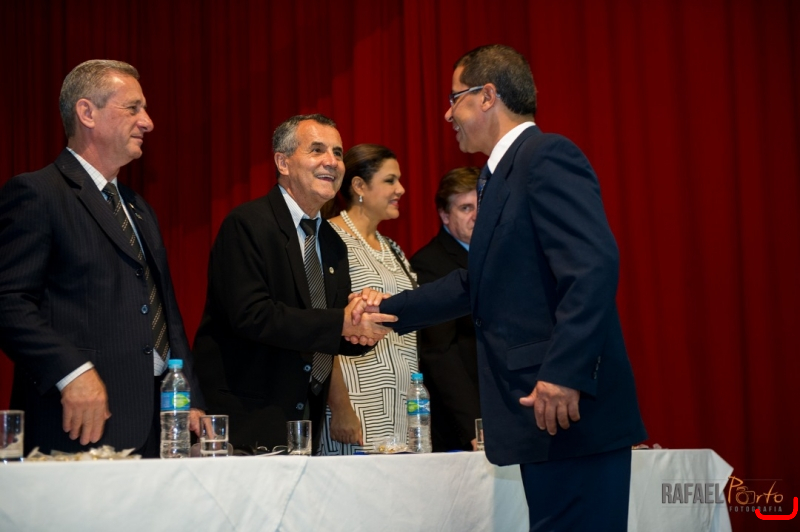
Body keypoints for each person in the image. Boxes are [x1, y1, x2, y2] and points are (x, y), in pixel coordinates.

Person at [359, 45, 647, 530]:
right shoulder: (498, 176)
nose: (447, 114)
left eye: (455, 98)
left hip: (566, 407)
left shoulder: (546, 156)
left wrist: (565, 372)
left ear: (487, 96)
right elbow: (478, 282)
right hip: (546, 416)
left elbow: (592, 267)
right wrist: (387, 309)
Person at [0, 59, 205, 457]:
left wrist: (189, 396)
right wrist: (70, 371)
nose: (148, 122)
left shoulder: (138, 207)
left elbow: (166, 312)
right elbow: (8, 302)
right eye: (133, 108)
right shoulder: (38, 193)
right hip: (78, 425)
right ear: (87, 113)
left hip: (158, 424)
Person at [192, 115, 396, 454]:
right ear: (283, 162)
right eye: (317, 150)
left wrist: (366, 323)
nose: (332, 161)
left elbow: (330, 333)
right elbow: (252, 316)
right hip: (246, 420)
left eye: (337, 152)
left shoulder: (332, 242)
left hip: (304, 421)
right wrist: (341, 322)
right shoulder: (247, 224)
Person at [318, 144, 418, 455]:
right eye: (390, 180)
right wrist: (341, 408)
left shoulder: (392, 247)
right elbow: (322, 329)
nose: (401, 189)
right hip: (355, 402)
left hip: (401, 403)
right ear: (359, 186)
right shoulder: (329, 238)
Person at [409, 166, 481, 452]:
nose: (477, 215)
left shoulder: (504, 256)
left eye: (481, 205)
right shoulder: (430, 264)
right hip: (464, 424)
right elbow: (440, 352)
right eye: (466, 208)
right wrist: (474, 427)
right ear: (445, 215)